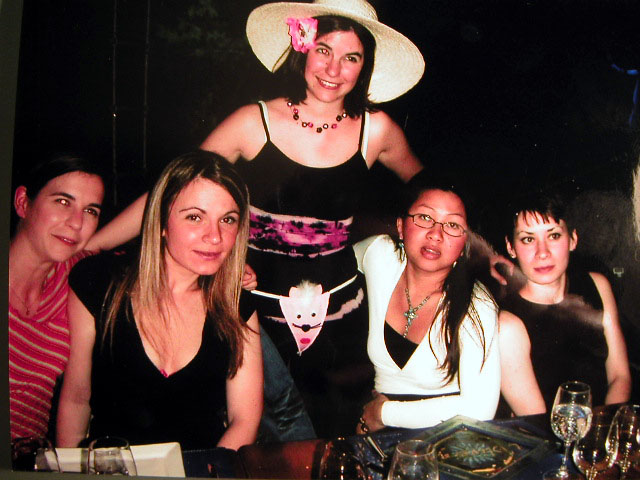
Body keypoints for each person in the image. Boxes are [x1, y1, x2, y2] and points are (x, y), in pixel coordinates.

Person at [87, 0, 425, 438]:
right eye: (323, 50)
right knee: (261, 442)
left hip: (342, 320)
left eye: (351, 57)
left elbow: (429, 194)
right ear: (302, 48)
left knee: (339, 436)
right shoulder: (253, 121)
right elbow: (169, 193)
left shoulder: (376, 130)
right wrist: (91, 246)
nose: (334, 69)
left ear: (365, 66)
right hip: (253, 316)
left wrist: (465, 250)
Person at [56, 152, 263, 450]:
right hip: (110, 467)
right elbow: (76, 399)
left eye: (227, 220)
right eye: (195, 217)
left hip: (199, 468)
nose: (215, 236)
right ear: (162, 221)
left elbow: (244, 420)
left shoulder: (237, 306)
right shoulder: (99, 283)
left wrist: (207, 470)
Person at [354, 178, 500, 432]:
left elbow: (480, 409)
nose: (435, 234)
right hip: (376, 427)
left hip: (446, 433)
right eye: (424, 218)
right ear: (401, 227)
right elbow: (333, 262)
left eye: (452, 225)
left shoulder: (477, 304)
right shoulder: (379, 254)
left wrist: (383, 414)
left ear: (465, 243)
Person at [498, 190, 631, 416]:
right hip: (547, 435)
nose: (542, 252)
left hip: (604, 425)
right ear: (511, 247)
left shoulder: (596, 285)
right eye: (528, 239)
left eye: (553, 236)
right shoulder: (506, 320)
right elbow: (536, 420)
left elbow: (620, 376)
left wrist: (604, 427)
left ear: (573, 239)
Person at [9, 153, 105, 440]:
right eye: (63, 202)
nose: (76, 223)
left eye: (91, 211)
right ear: (23, 202)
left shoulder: (74, 276)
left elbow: (157, 205)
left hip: (33, 456)